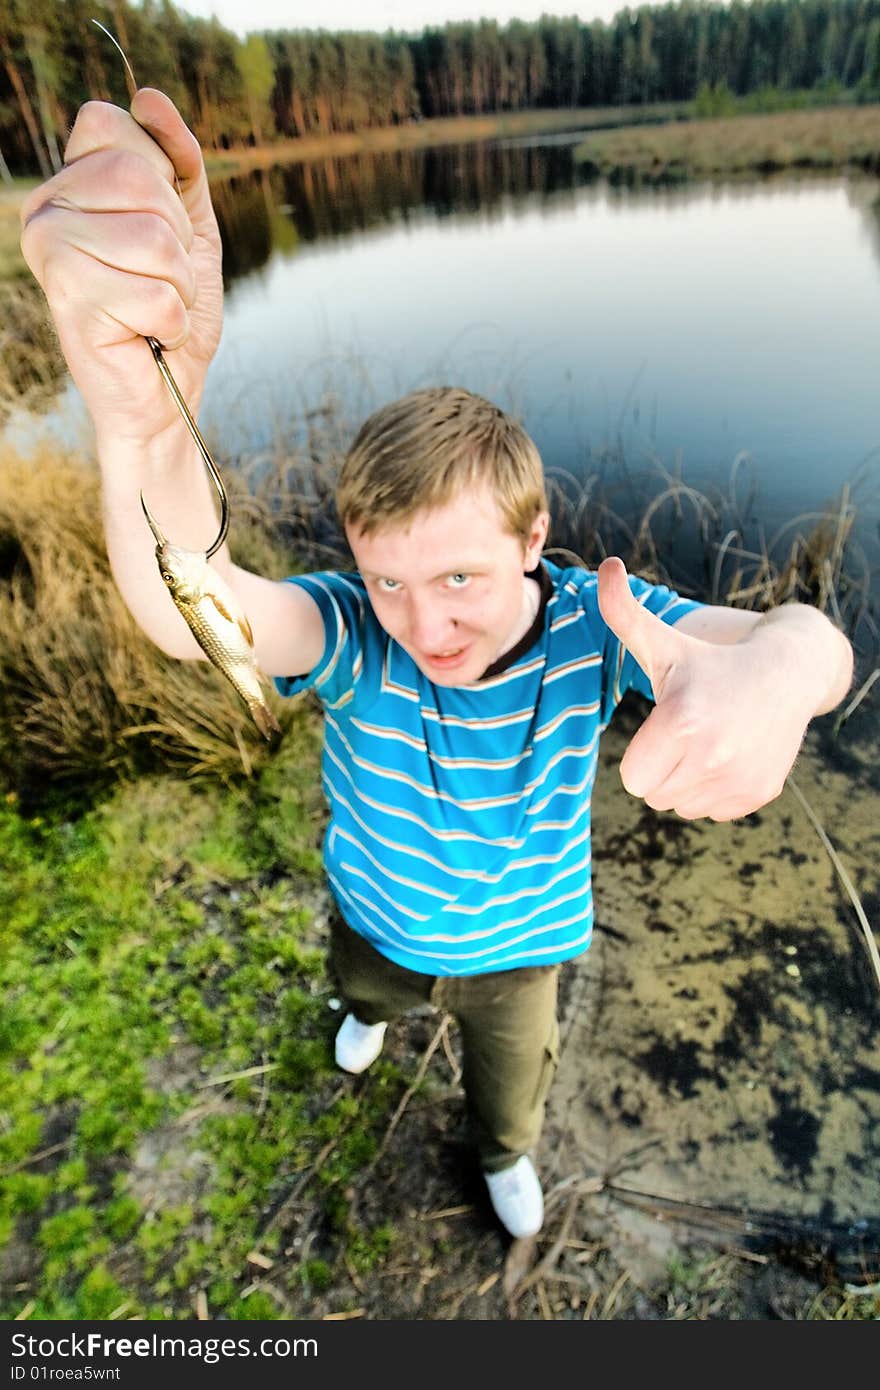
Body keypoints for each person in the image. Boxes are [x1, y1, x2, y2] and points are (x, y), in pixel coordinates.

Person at [20, 91, 854, 1240]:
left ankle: (504, 1154)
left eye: (459, 577)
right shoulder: (355, 636)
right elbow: (195, 607)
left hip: (523, 956)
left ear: (530, 537)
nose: (425, 623)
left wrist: (786, 666)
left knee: (510, 1088)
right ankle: (363, 1019)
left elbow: (799, 644)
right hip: (375, 917)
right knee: (360, 995)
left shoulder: (597, 623)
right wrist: (141, 425)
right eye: (390, 580)